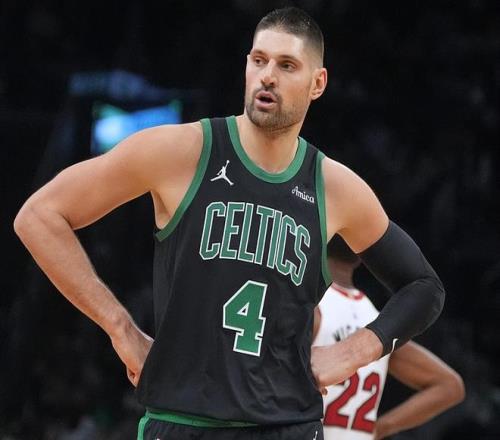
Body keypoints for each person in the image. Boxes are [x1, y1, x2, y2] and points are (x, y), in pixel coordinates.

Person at [14, 7, 445, 440]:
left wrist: (353, 352)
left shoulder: (334, 187)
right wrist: (119, 326)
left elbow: (424, 287)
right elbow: (39, 216)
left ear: (318, 83)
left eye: (287, 65)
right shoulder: (181, 151)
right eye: (259, 60)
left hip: (287, 424)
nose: (268, 76)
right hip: (182, 420)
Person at [314, 236, 464, 440]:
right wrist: (380, 428)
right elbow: (450, 386)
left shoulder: (311, 307)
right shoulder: (378, 324)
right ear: (361, 255)